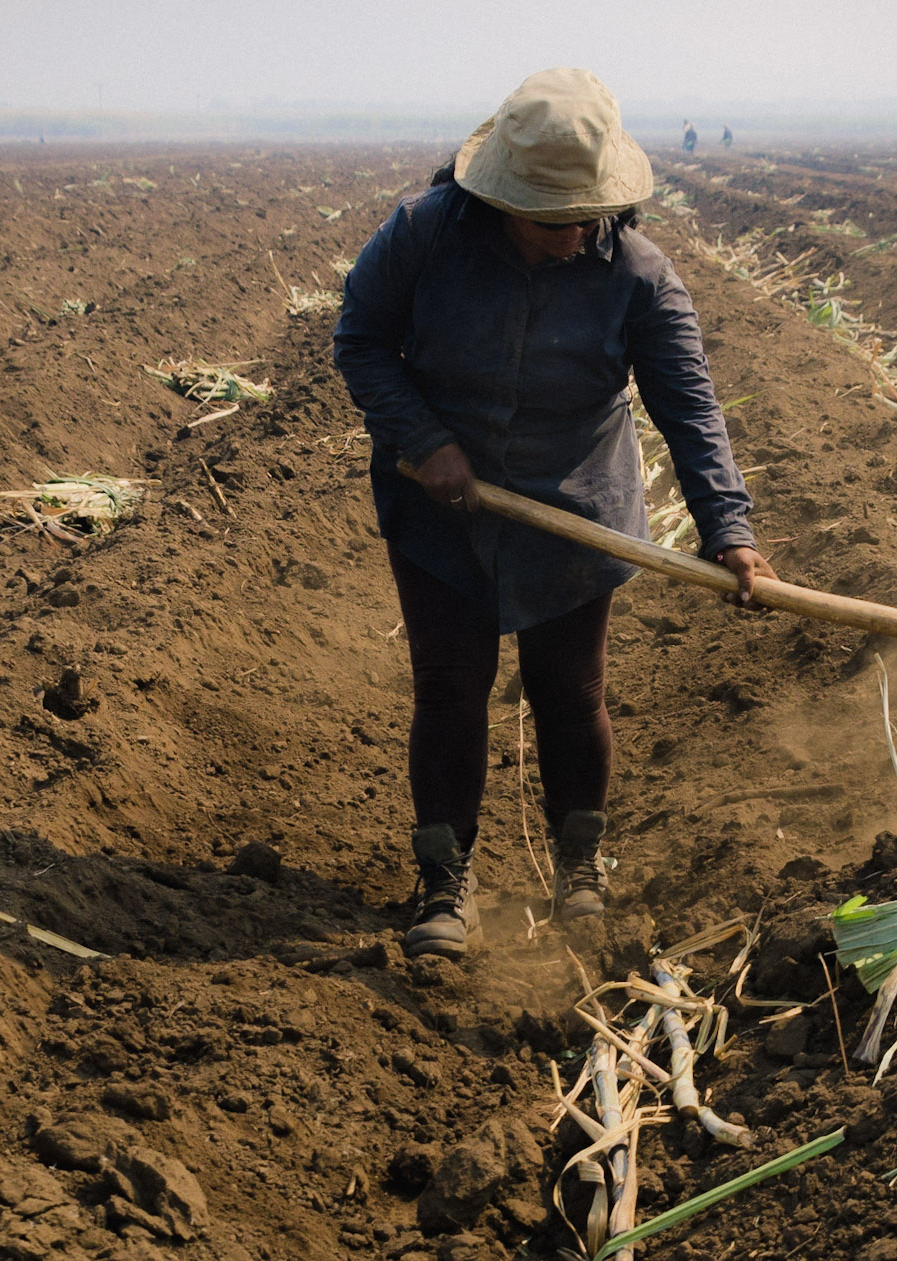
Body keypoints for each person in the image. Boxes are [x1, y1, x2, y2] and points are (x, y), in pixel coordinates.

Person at [333, 68, 774, 960]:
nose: (573, 233)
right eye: (549, 217)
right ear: (497, 198)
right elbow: (361, 340)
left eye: (586, 215)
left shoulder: (640, 276)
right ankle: (443, 883)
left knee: (570, 694)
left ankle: (580, 868)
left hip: (579, 506)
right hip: (442, 509)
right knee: (450, 687)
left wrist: (729, 530)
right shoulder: (423, 235)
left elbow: (688, 406)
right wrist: (423, 438)